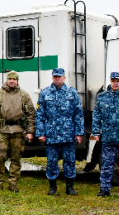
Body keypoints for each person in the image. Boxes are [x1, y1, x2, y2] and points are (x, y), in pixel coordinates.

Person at [35, 68, 84, 196]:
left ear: (64, 78)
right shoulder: (45, 93)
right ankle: (52, 187)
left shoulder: (72, 92)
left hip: (68, 134)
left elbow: (78, 114)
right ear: (52, 78)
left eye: (60, 76)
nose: (57, 79)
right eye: (55, 77)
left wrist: (79, 133)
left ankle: (70, 186)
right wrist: (41, 133)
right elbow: (40, 115)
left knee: (70, 161)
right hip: (52, 134)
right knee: (51, 161)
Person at [0, 71, 36, 192]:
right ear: (7, 80)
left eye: (14, 79)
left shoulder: (24, 95)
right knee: (0, 157)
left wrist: (30, 131)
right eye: (10, 79)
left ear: (17, 80)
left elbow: (31, 114)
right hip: (1, 130)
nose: (12, 81)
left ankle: (13, 183)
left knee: (16, 158)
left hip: (18, 131)